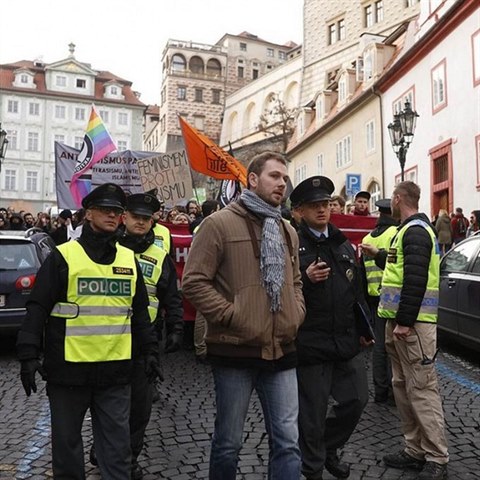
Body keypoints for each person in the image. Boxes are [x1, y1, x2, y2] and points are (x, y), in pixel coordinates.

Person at [16, 183, 159, 480]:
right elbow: (37, 307)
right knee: (67, 451)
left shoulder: (127, 260)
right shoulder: (63, 256)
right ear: (89, 214)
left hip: (116, 372)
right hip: (68, 372)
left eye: (117, 212)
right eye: (105, 210)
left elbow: (140, 315)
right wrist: (28, 354)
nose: (112, 215)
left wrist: (150, 352)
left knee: (117, 452)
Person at [182, 151, 305, 480]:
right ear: (252, 179)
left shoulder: (287, 230)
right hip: (235, 348)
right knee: (228, 443)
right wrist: (232, 314)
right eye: (274, 176)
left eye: (284, 177)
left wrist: (296, 312)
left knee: (288, 442)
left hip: (282, 349)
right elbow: (193, 282)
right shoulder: (218, 224)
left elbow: (295, 282)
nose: (282, 183)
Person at [360, 181, 448, 480]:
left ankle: (436, 456)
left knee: (422, 390)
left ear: (398, 200)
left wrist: (405, 321)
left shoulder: (415, 231)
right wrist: (378, 255)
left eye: (390, 200)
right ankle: (414, 450)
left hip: (413, 327)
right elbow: (401, 266)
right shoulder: (406, 232)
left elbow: (416, 278)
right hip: (398, 323)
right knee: (402, 387)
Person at [290, 176, 371, 480]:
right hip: (310, 343)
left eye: (325, 204)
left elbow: (357, 291)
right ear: (299, 211)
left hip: (345, 341)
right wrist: (305, 277)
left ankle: (327, 448)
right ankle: (312, 471)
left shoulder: (343, 244)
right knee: (311, 416)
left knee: (356, 400)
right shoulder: (293, 244)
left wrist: (365, 329)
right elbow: (282, 289)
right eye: (314, 206)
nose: (322, 210)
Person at [119, 191, 184, 479]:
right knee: (109, 401)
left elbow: (172, 295)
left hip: (147, 339)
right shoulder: (109, 248)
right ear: (124, 217)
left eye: (147, 218)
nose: (141, 223)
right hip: (111, 338)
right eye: (136, 217)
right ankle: (105, 446)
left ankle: (130, 457)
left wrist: (177, 327)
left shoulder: (160, 256)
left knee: (141, 404)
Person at [361, 199, 398, 404]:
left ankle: (380, 390)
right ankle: (393, 392)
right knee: (392, 347)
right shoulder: (394, 234)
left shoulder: (368, 237)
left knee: (379, 347)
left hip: (373, 296)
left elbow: (362, 271)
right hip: (391, 296)